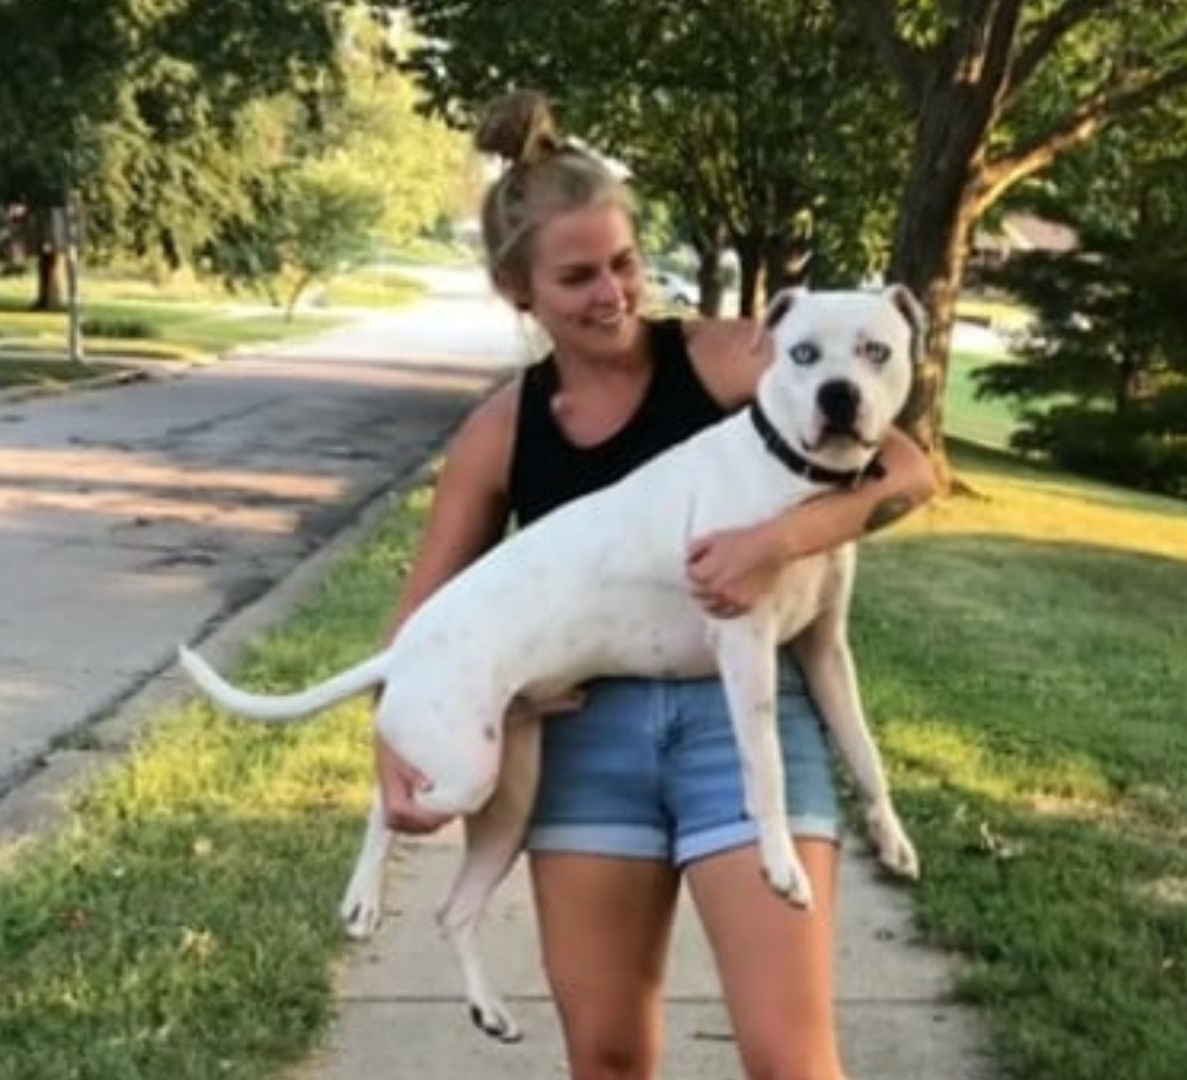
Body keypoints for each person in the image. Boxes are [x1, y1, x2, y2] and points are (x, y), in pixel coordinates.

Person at [372, 90, 935, 1080]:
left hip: (744, 724)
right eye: (577, 275)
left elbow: (911, 469)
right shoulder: (501, 431)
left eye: (625, 263)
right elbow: (427, 612)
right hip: (589, 744)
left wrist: (784, 535)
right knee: (611, 1058)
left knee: (791, 1061)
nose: (613, 293)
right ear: (522, 293)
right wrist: (391, 744)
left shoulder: (724, 355)